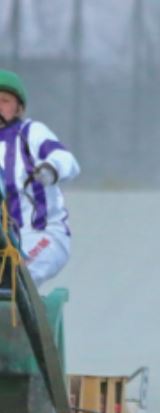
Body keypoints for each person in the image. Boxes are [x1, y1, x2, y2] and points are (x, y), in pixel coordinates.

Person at [0, 69, 79, 286]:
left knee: (16, 276)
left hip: (41, 234)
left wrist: (51, 168)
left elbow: (66, 159)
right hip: (3, 243)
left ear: (19, 108)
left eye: (5, 101)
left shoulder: (31, 133)